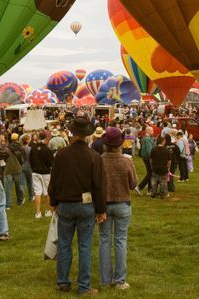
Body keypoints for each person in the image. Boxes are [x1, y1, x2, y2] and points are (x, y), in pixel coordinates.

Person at [49, 116, 106, 296]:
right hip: (85, 206)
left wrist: (53, 202)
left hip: (65, 205)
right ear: (87, 135)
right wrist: (101, 209)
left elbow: (54, 181)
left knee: (64, 244)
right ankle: (83, 286)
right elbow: (99, 185)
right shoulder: (94, 157)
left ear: (72, 133)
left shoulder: (61, 155)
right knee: (84, 246)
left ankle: (63, 282)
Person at [99, 127, 137, 290]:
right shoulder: (126, 161)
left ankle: (106, 280)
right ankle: (120, 280)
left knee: (105, 241)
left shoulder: (99, 160)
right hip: (122, 203)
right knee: (120, 241)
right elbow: (133, 184)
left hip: (104, 205)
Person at [29, 131, 54, 218]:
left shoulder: (33, 148)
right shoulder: (47, 150)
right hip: (46, 173)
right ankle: (48, 211)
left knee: (37, 192)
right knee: (47, 192)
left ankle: (38, 213)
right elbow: (51, 163)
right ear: (45, 139)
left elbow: (30, 161)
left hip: (35, 172)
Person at [4, 134, 25, 207]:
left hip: (8, 169)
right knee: (18, 186)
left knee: (8, 188)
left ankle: (8, 205)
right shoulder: (21, 148)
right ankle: (20, 201)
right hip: (17, 168)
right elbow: (23, 159)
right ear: (17, 138)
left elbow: (5, 158)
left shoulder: (7, 148)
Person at [135, 127, 155, 194]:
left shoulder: (145, 138)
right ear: (148, 131)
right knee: (150, 173)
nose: (153, 131)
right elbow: (149, 151)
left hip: (145, 158)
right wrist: (152, 158)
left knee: (150, 173)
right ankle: (140, 187)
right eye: (152, 130)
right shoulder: (147, 139)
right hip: (148, 158)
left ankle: (149, 190)